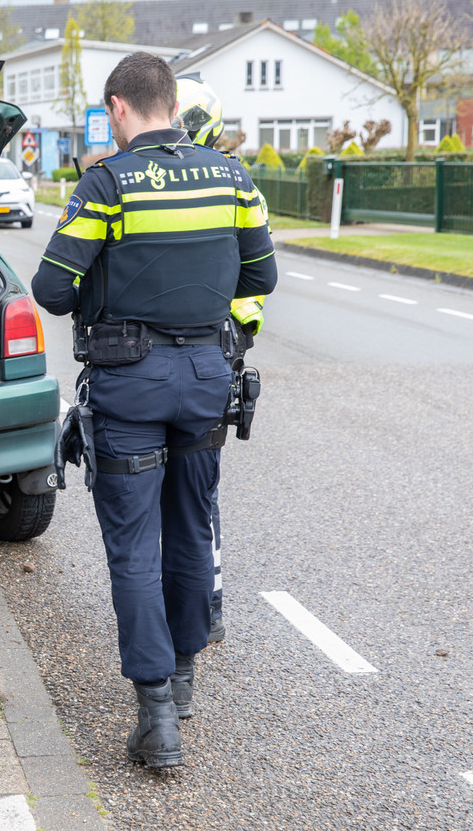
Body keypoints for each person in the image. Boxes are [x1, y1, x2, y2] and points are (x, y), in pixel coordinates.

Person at [32, 53, 276, 768]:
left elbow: (52, 287)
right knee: (193, 531)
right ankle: (186, 677)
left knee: (134, 549)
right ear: (173, 102)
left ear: (118, 108)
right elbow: (260, 274)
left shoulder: (106, 184)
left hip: (128, 382)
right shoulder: (234, 178)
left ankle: (156, 719)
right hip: (206, 376)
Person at [174, 72, 267, 645]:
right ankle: (204, 605)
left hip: (207, 349)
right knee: (198, 491)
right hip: (213, 355)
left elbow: (253, 281)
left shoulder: (223, 183)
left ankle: (205, 604)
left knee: (193, 492)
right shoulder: (233, 183)